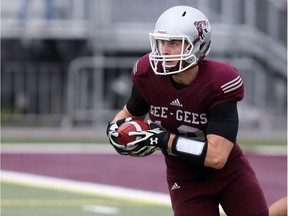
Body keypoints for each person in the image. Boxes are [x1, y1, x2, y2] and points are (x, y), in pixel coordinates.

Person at [107, 5, 269, 216]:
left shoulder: (220, 81)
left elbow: (216, 156)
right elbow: (130, 114)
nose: (164, 50)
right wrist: (115, 131)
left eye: (174, 43)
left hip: (229, 174)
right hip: (184, 178)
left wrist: (161, 139)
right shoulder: (147, 74)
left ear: (198, 45)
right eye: (162, 42)